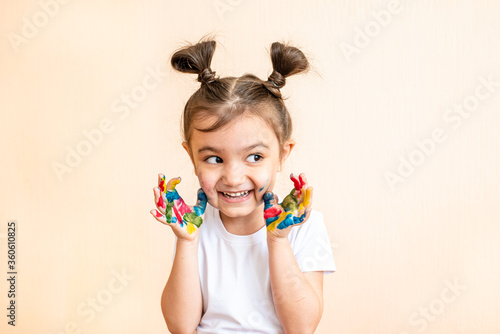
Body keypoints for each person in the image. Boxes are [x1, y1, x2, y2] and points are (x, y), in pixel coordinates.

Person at [150, 37, 336, 334]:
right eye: (213, 158)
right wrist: (187, 242)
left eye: (254, 156)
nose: (233, 177)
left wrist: (278, 241)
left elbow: (301, 327)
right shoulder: (194, 227)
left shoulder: (304, 226)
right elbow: (181, 327)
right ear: (191, 157)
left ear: (282, 155)